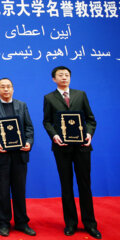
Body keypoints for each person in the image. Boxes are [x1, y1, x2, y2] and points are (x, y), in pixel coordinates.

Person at [43, 66, 101, 239]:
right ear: (54, 79)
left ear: (70, 78)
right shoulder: (49, 98)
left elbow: (91, 119)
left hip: (82, 146)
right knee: (66, 185)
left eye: (67, 75)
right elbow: (46, 122)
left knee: (85, 185)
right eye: (60, 75)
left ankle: (90, 224)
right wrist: (54, 136)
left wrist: (89, 134)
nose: (64, 77)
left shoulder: (80, 94)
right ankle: (70, 223)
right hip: (62, 148)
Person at [0, 78, 36, 237]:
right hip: (1, 155)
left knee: (20, 190)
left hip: (20, 155)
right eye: (2, 87)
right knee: (2, 191)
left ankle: (21, 222)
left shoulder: (22, 105)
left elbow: (29, 127)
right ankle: (4, 222)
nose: (6, 89)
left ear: (13, 89)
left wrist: (28, 142)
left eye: (8, 87)